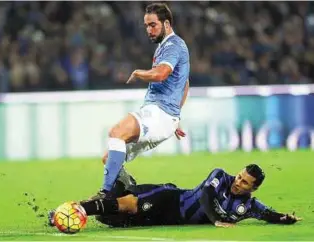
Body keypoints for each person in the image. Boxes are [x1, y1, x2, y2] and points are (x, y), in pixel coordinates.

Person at [93, 2, 190, 200]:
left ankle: (104, 193)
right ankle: (129, 191)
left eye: (153, 25)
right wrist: (177, 115)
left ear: (167, 24)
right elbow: (185, 82)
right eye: (146, 26)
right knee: (109, 157)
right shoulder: (165, 47)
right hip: (164, 117)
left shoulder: (173, 45)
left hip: (159, 114)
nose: (149, 30)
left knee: (116, 132)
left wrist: (139, 73)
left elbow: (162, 74)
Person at [49, 164, 301, 228]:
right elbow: (206, 194)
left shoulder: (250, 206)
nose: (238, 182)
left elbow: (268, 214)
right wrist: (216, 219)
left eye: (245, 182)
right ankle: (68, 211)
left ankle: (125, 183)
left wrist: (286, 219)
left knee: (109, 220)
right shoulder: (220, 176)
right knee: (128, 205)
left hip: (169, 219)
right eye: (239, 176)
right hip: (171, 198)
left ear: (253, 189)